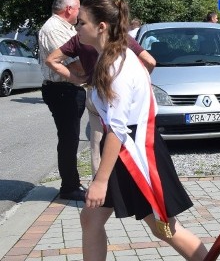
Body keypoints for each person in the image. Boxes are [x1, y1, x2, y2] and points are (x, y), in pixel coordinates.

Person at [44, 0, 220, 261]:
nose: (77, 28)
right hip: (123, 151)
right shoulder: (110, 56)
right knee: (92, 218)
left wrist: (100, 180)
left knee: (163, 226)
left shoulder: (118, 64)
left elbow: (118, 129)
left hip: (135, 155)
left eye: (81, 23)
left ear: (100, 27)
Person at [46, 33, 156, 174]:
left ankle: (99, 185)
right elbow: (150, 61)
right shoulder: (121, 37)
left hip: (95, 92)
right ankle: (128, 179)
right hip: (120, 93)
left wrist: (77, 79)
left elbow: (51, 60)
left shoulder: (81, 37)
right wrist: (139, 83)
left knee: (97, 143)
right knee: (127, 138)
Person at [38, 0, 87, 201]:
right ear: (68, 9)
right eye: (78, 8)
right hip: (62, 90)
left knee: (71, 138)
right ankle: (69, 187)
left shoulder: (65, 27)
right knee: (68, 139)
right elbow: (72, 62)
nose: (79, 12)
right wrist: (88, 75)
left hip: (68, 89)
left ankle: (72, 183)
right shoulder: (53, 29)